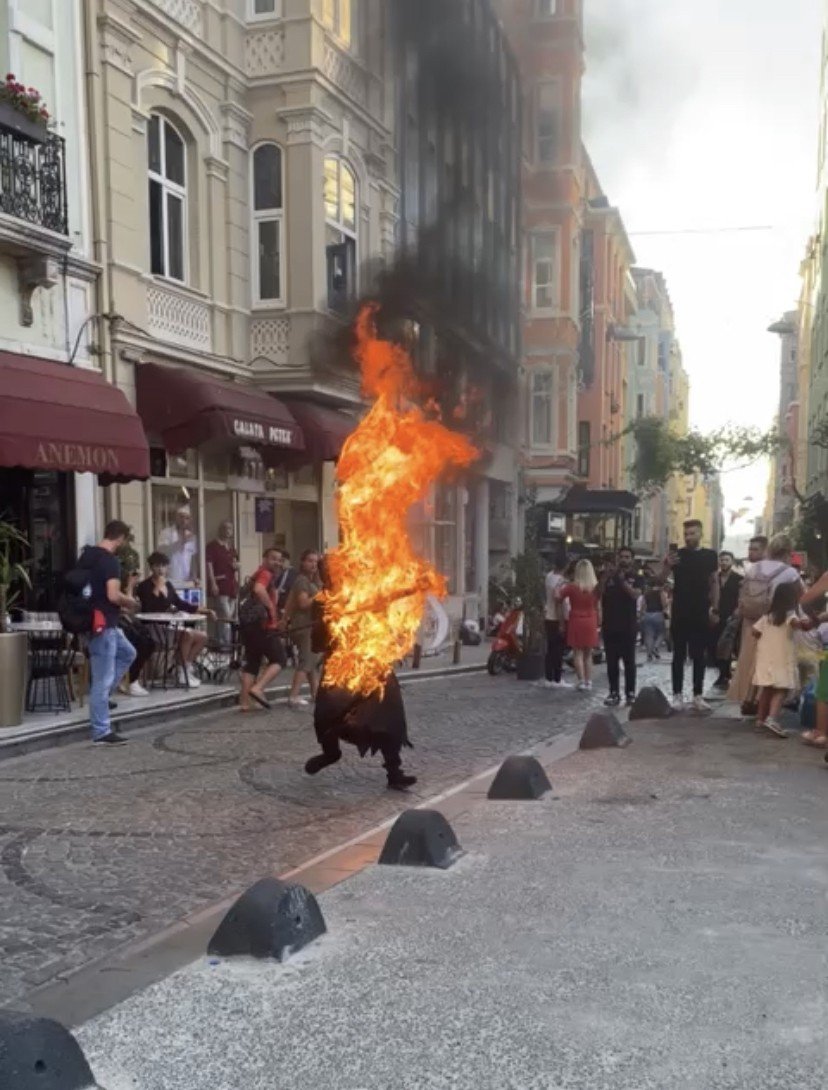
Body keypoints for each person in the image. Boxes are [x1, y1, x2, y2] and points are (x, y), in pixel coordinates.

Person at [304, 557, 416, 791]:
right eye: (328, 573)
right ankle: (331, 754)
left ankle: (394, 771)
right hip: (341, 667)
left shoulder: (362, 594)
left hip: (372, 663)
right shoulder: (321, 602)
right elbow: (317, 644)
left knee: (389, 714)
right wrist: (327, 625)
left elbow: (383, 618)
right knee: (327, 715)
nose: (334, 576)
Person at [82, 520, 140, 745]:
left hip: (95, 621)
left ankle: (103, 698)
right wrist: (131, 603)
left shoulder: (87, 556)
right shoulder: (110, 561)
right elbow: (113, 595)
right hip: (104, 623)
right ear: (121, 538)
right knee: (102, 679)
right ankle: (101, 731)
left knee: (128, 653)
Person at [728, 534, 800, 715]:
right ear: (787, 552)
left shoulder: (754, 568)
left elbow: (743, 592)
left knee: (749, 658)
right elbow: (799, 597)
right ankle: (763, 704)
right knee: (771, 661)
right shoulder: (790, 573)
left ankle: (747, 698)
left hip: (751, 619)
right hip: (775, 621)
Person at [663, 520, 719, 713]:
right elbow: (660, 581)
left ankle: (697, 694)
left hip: (701, 609)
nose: (688, 537)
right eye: (686, 534)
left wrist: (715, 608)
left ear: (700, 533)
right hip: (680, 610)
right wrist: (667, 566)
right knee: (678, 654)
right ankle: (677, 694)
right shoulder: (678, 555)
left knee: (699, 655)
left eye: (692, 533)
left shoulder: (710, 556)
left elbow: (714, 582)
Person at [135, 553, 214, 688]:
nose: (160, 569)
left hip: (169, 626)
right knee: (187, 634)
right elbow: (148, 607)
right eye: (157, 566)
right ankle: (181, 671)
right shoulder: (144, 586)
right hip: (153, 628)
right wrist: (157, 588)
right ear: (151, 567)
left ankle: (184, 666)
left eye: (163, 566)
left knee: (202, 636)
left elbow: (180, 603)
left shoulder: (168, 585)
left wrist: (203, 609)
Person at [752, 581, 812, 738]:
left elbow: (755, 632)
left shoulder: (767, 616)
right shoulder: (790, 614)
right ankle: (772, 718)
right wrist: (805, 623)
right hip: (782, 658)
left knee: (766, 689)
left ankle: (760, 720)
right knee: (781, 689)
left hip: (766, 658)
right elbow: (797, 624)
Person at [239, 548, 286, 712]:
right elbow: (259, 590)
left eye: (280, 560)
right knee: (280, 659)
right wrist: (271, 608)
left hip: (248, 625)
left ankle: (245, 703)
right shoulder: (265, 574)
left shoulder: (256, 574)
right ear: (264, 559)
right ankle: (258, 688)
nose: (277, 563)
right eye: (273, 559)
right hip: (262, 625)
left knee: (252, 662)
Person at [600, 547, 644, 707]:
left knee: (629, 661)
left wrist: (621, 581)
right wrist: (605, 578)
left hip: (628, 626)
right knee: (611, 661)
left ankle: (630, 693)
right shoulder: (609, 576)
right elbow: (597, 594)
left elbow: (635, 594)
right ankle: (613, 692)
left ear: (632, 559)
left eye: (627, 557)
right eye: (622, 557)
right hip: (610, 625)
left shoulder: (637, 577)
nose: (624, 560)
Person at [284, 549, 322, 709]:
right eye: (310, 561)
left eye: (316, 561)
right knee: (307, 660)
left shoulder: (314, 581)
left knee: (311, 661)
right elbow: (303, 603)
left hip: (312, 625)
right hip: (304, 625)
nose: (313, 564)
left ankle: (316, 694)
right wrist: (321, 596)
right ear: (302, 562)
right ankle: (293, 696)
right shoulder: (302, 581)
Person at [557, 559, 600, 692]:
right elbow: (598, 605)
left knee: (577, 653)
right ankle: (589, 681)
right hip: (591, 619)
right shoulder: (595, 588)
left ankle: (581, 681)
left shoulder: (572, 587)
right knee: (588, 653)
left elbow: (558, 597)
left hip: (576, 619)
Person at [712, 551, 743, 690]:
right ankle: (723, 673)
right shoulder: (715, 578)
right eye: (722, 560)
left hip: (733, 616)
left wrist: (738, 610)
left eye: (726, 560)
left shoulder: (738, 578)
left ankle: (726, 675)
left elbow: (742, 596)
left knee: (730, 646)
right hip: (717, 615)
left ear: (732, 561)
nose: (723, 562)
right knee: (717, 645)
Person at [205, 520, 239, 645]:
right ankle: (226, 643)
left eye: (230, 528)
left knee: (228, 616)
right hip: (220, 584)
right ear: (220, 529)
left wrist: (236, 566)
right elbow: (209, 565)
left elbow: (235, 563)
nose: (228, 531)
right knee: (225, 615)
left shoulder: (231, 548)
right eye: (225, 528)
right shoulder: (212, 546)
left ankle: (220, 641)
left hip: (232, 586)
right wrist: (213, 583)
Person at [540, 556, 570, 690]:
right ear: (566, 566)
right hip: (557, 618)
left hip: (548, 615)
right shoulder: (561, 582)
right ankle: (557, 678)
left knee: (550, 649)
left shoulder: (549, 576)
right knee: (558, 650)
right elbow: (560, 602)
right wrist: (562, 622)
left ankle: (548, 677)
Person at [157, 506, 198, 585]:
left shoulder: (192, 536)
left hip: (186, 579)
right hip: (169, 578)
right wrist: (181, 542)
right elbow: (161, 552)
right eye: (181, 517)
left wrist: (194, 576)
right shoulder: (166, 533)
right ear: (176, 518)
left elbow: (193, 558)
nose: (184, 520)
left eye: (187, 518)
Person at [641, 579, 669, 662]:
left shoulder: (646, 593)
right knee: (662, 633)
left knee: (649, 635)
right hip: (658, 614)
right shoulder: (661, 592)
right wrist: (667, 604)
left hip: (648, 614)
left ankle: (649, 654)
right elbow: (664, 604)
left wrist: (642, 614)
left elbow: (643, 605)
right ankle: (656, 647)